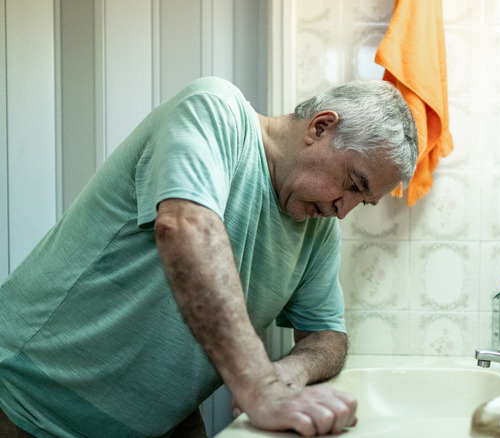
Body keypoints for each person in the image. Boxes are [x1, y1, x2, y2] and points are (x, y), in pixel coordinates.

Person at [0, 76, 418, 437]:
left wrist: (292, 370)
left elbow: (327, 337)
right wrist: (259, 385)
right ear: (320, 127)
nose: (343, 209)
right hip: (24, 402)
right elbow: (184, 227)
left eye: (361, 201)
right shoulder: (216, 111)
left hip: (151, 426)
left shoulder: (318, 227)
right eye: (352, 182)